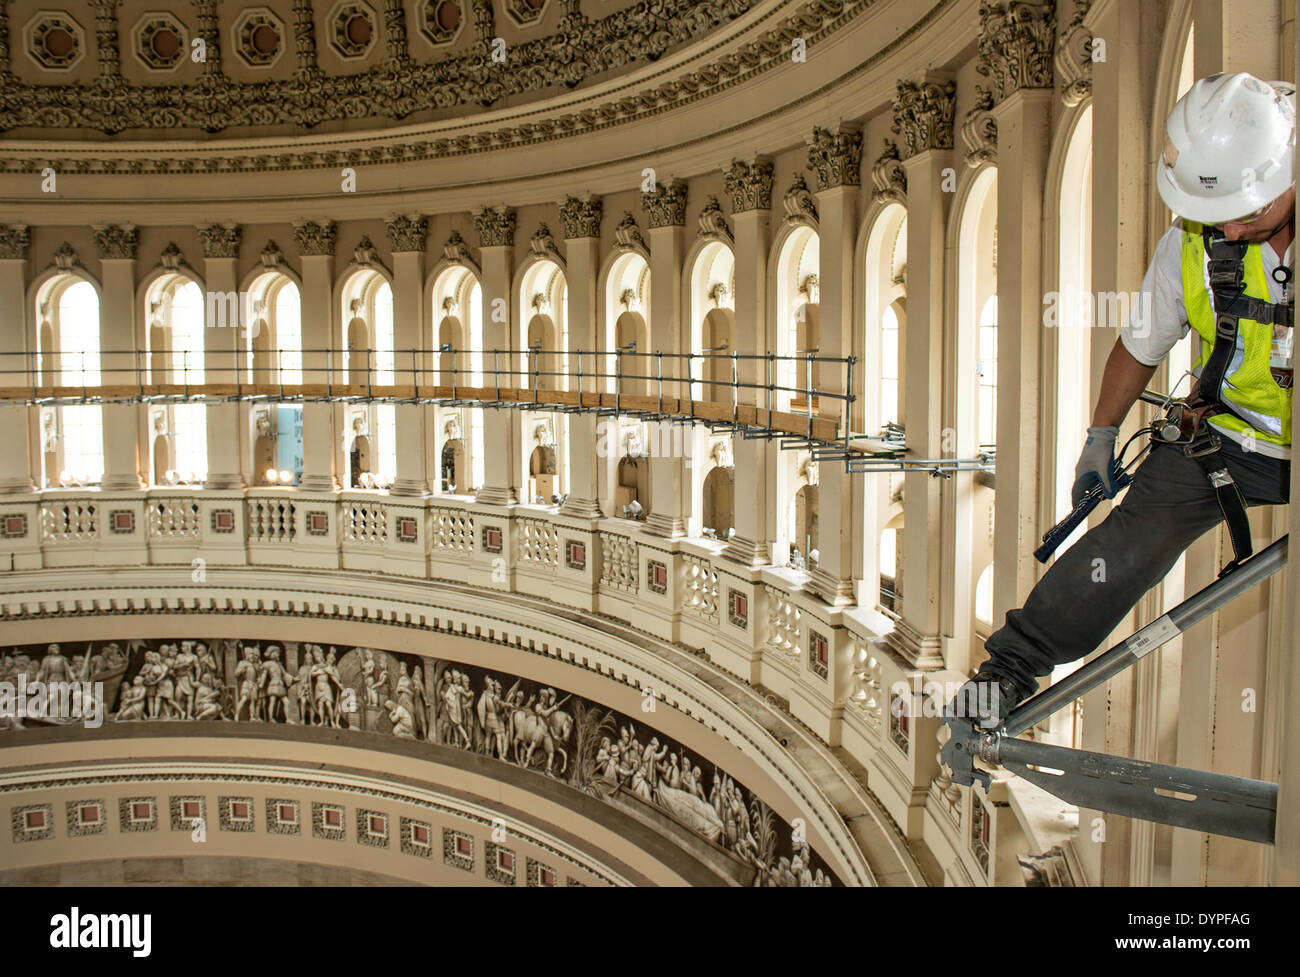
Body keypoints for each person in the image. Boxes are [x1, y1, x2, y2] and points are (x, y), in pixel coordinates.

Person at [953, 72, 1295, 728]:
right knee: (1128, 544)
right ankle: (1009, 670)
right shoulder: (1192, 246)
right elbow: (1140, 346)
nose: (1229, 226)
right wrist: (1100, 438)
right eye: (1215, 212)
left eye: (1246, 212)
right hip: (1233, 435)